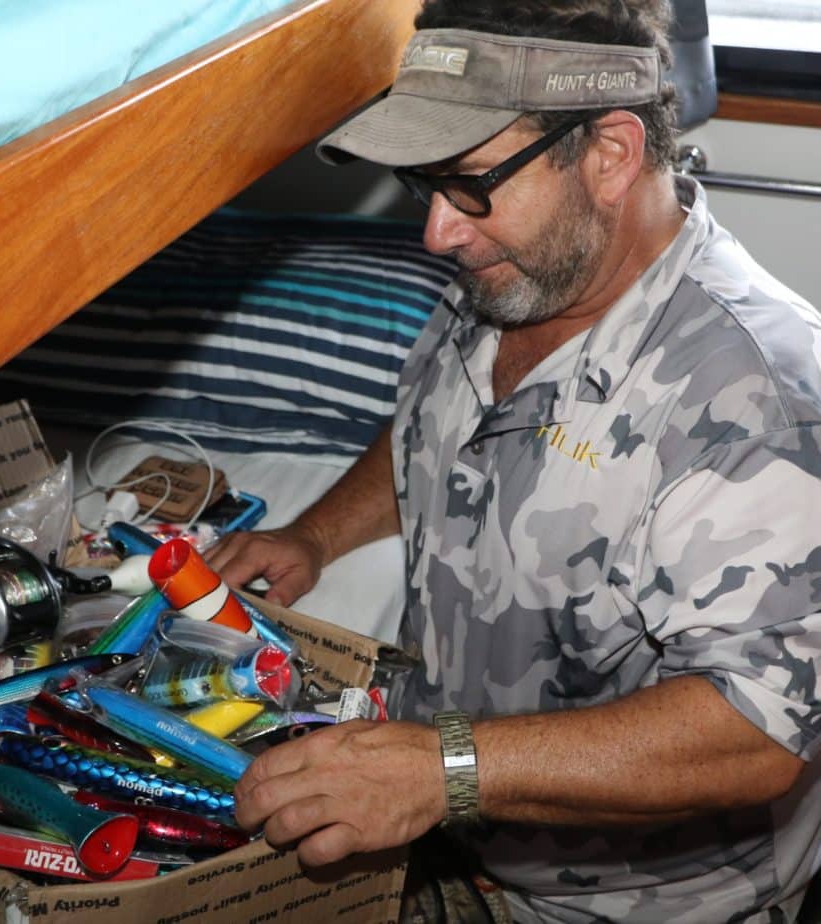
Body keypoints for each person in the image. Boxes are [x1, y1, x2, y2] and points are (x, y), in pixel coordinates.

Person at [206, 1, 821, 921]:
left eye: (469, 186)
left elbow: (755, 730)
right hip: (453, 832)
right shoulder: (521, 275)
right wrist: (316, 535)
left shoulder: (760, 403)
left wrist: (443, 769)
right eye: (426, 189)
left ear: (610, 154)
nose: (439, 235)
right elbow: (440, 426)